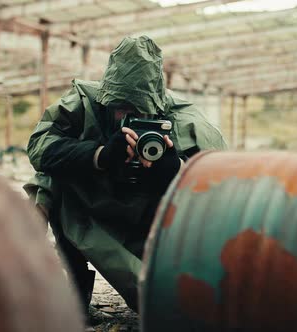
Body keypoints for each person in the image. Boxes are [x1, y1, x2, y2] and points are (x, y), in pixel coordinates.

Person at [24, 36, 227, 312]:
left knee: (164, 307)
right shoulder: (84, 105)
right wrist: (99, 155)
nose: (125, 118)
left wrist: (176, 169)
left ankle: (181, 289)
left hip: (151, 225)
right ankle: (36, 279)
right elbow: (39, 148)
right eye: (119, 109)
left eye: (136, 111)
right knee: (46, 177)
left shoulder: (185, 121)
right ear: (106, 99)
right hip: (91, 212)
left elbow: (225, 186)